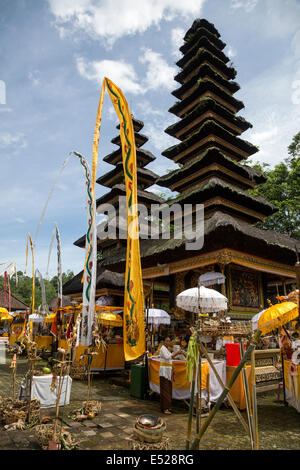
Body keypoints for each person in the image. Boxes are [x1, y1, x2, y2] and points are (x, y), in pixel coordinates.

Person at [159, 336, 184, 415]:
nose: (168, 342)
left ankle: (166, 407)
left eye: (169, 341)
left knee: (168, 389)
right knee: (165, 390)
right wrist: (177, 352)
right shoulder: (162, 349)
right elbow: (168, 357)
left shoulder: (166, 349)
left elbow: (170, 358)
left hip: (167, 370)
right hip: (164, 371)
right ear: (163, 342)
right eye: (167, 341)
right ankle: (165, 408)